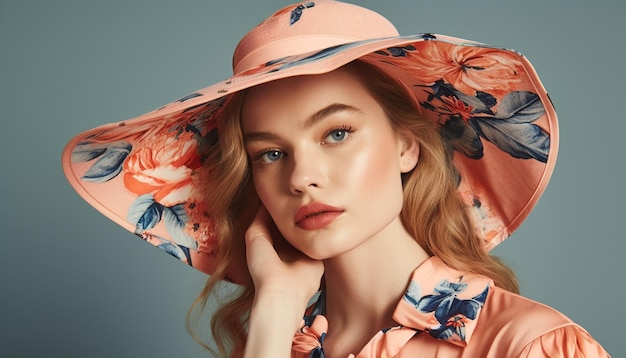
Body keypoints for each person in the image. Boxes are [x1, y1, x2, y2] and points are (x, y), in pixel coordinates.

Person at [62, 1, 609, 357]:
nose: (302, 177)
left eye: (337, 133)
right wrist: (275, 308)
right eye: (271, 153)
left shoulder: (528, 344)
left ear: (405, 145)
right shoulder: (281, 344)